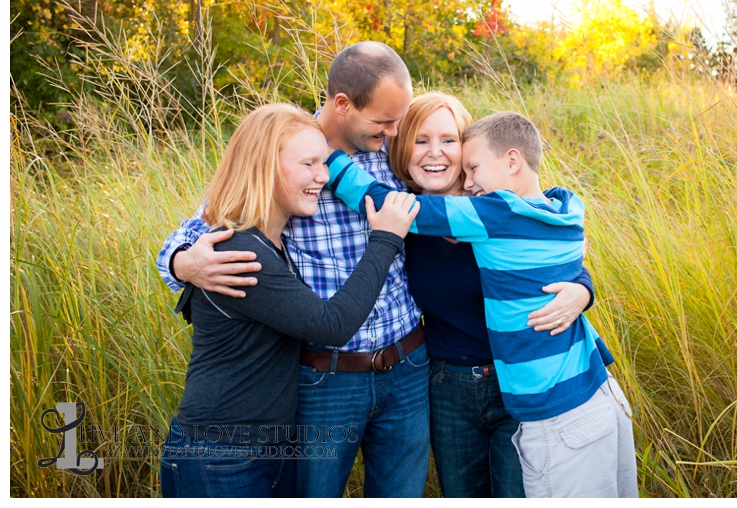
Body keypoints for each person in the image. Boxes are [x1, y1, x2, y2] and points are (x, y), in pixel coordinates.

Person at [157, 42, 595, 498]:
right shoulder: (292, 152)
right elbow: (213, 216)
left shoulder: (395, 160)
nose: (392, 132)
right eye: (384, 122)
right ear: (342, 104)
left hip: (407, 367)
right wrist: (182, 261)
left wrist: (582, 287)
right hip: (324, 377)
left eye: (398, 122)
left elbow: (533, 233)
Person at [325, 111, 639, 498]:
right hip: (495, 384)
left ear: (510, 161)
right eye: (420, 142)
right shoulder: (566, 206)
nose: (471, 181)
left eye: (472, 165)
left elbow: (382, 203)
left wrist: (326, 152)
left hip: (532, 399)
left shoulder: (495, 212)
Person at [159, 104, 419, 498]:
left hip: (266, 444)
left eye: (324, 162)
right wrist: (384, 239)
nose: (323, 176)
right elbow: (331, 325)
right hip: (221, 452)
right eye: (309, 164)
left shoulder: (265, 238)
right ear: (265, 166)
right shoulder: (241, 249)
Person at [386, 93, 595, 497]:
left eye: (448, 140)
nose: (435, 153)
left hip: (517, 381)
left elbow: (559, 262)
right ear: (402, 147)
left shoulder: (500, 208)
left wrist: (583, 292)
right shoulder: (402, 216)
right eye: (421, 140)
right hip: (448, 385)